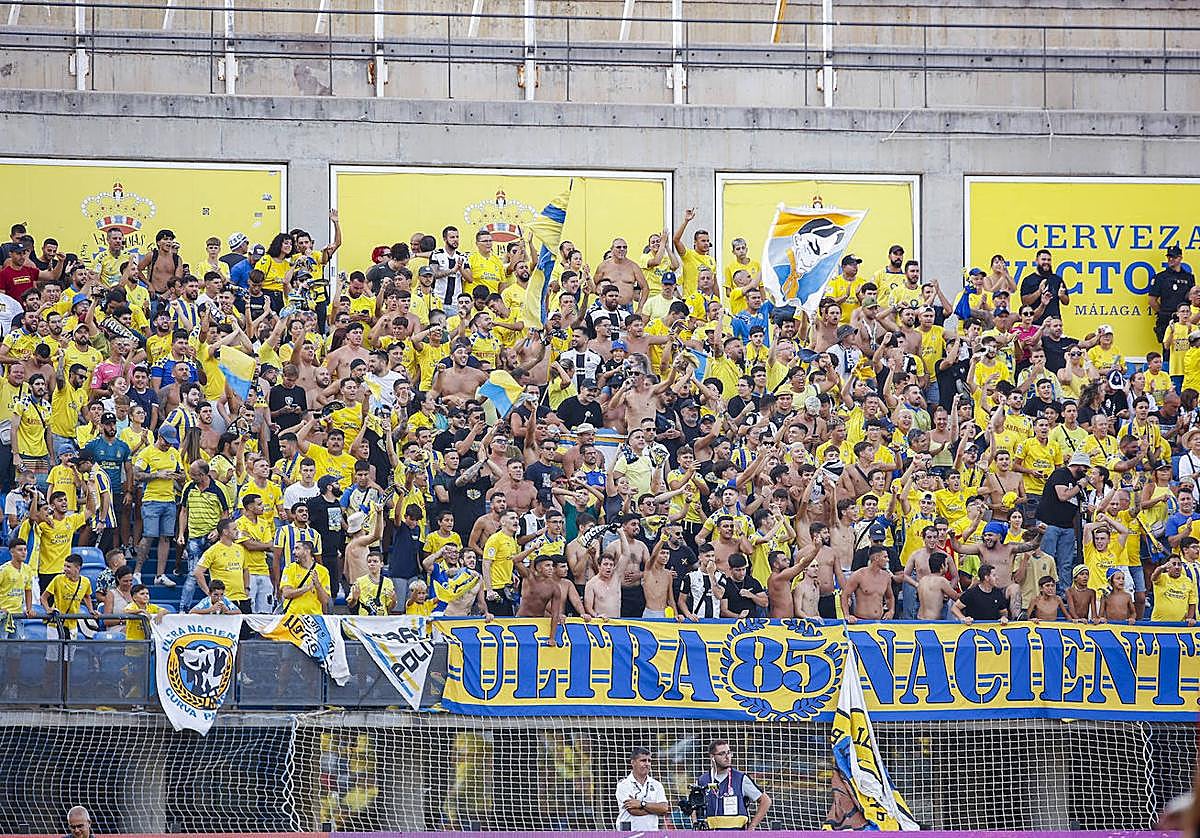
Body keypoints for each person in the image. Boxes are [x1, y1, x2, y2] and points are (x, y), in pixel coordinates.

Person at [1036, 451, 1092, 591]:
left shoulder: (1078, 481)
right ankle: (1045, 591)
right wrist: (1080, 486)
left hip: (1067, 527)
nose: (1086, 472)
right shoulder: (1061, 473)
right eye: (1085, 468)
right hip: (1049, 523)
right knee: (1047, 560)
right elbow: (1062, 496)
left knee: (1065, 563)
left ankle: (1065, 591)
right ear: (1078, 465)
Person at [696, 739, 772, 830]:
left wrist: (752, 827)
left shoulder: (741, 779)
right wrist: (695, 824)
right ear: (712, 757)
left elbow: (766, 801)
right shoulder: (702, 780)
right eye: (722, 754)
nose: (727, 757)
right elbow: (693, 806)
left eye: (729, 753)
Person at [615, 747, 670, 831]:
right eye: (643, 760)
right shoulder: (623, 784)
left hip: (652, 833)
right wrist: (655, 809)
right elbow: (633, 811)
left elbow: (664, 809)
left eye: (649, 761)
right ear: (633, 763)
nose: (647, 764)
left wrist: (641, 804)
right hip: (629, 833)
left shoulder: (657, 785)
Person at [1150, 556, 1198, 625]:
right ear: (1167, 567)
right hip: (1158, 624)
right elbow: (1153, 577)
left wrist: (1190, 618)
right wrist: (1162, 567)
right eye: (1174, 564)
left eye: (1179, 564)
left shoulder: (1188, 581)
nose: (1177, 567)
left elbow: (1192, 603)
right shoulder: (1162, 577)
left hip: (1178, 626)